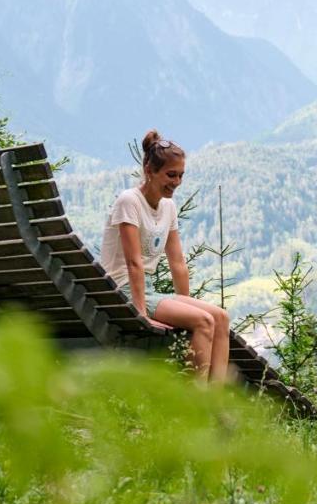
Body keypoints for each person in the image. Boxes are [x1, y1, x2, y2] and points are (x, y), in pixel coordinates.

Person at [99, 130, 231, 382]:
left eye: (181, 175)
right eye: (171, 175)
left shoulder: (168, 207)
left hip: (147, 290)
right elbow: (133, 263)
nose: (177, 181)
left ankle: (217, 405)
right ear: (150, 171)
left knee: (220, 318)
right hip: (122, 290)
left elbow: (177, 263)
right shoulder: (129, 201)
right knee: (204, 321)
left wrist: (184, 303)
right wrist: (140, 312)